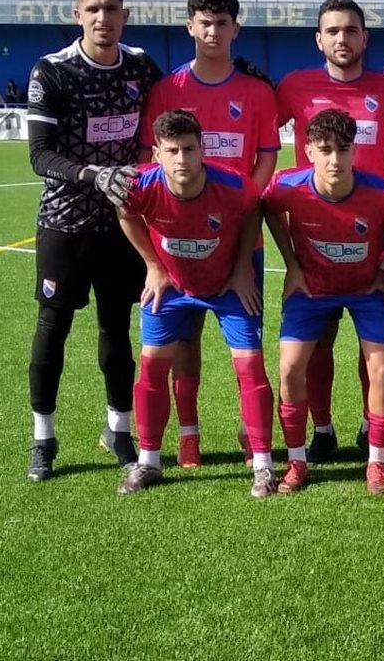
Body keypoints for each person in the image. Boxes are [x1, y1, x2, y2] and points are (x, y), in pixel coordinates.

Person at [23, 0, 164, 482]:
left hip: (122, 224)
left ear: (125, 15)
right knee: (53, 328)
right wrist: (93, 174)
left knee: (116, 328)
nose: (103, 18)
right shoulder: (53, 71)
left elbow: (170, 113)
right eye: (93, 9)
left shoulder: (142, 66)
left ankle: (119, 430)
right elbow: (40, 155)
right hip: (65, 223)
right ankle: (44, 438)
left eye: (111, 9)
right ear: (77, 14)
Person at [137, 0, 280, 469]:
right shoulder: (168, 90)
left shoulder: (257, 92)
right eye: (205, 22)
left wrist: (239, 210)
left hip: (239, 239)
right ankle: (188, 433)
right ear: (190, 27)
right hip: (177, 240)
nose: (213, 31)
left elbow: (265, 160)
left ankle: (250, 433)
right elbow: (150, 161)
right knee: (182, 340)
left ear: (235, 29)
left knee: (245, 343)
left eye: (222, 23)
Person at [115, 110, 272, 497]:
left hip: (229, 283)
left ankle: (263, 464)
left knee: (250, 365)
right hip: (172, 283)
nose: (182, 159)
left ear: (202, 150)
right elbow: (125, 212)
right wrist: (153, 266)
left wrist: (241, 269)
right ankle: (149, 462)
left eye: (189, 149)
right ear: (157, 154)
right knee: (151, 366)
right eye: (172, 151)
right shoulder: (140, 185)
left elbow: (254, 211)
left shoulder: (233, 185)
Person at [276, 0, 384, 463]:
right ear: (319, 39)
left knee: (375, 349)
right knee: (318, 345)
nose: (342, 39)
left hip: (371, 244)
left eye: (351, 30)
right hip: (314, 242)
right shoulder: (295, 86)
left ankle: (373, 426)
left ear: (364, 38)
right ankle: (322, 428)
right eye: (332, 31)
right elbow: (261, 138)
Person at [262, 109, 384, 494]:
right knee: (290, 368)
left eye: (343, 149)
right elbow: (267, 208)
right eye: (325, 150)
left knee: (382, 370)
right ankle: (297, 461)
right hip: (311, 289)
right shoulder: (288, 185)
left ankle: (376, 462)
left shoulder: (380, 191)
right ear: (309, 150)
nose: (334, 159)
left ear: (354, 151)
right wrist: (292, 264)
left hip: (366, 290)